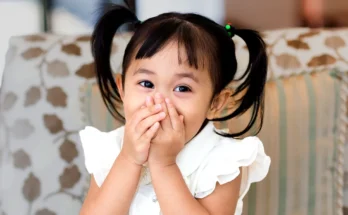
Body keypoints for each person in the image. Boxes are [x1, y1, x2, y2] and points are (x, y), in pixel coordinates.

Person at [79, 4, 271, 215]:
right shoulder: (111, 149)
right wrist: (129, 159)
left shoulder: (222, 161)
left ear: (215, 103)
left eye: (182, 88)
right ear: (122, 88)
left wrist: (164, 165)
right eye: (147, 84)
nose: (159, 102)